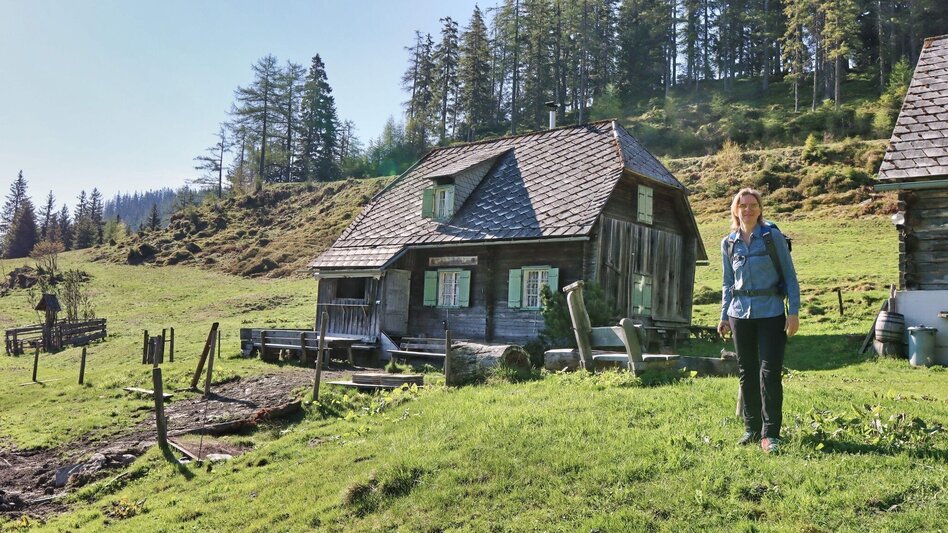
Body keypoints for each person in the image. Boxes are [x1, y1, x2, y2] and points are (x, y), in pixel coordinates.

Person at [716, 188, 800, 454]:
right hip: (739, 314)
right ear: (736, 210)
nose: (748, 210)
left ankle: (770, 434)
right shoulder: (728, 243)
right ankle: (751, 429)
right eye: (743, 206)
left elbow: (790, 276)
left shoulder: (772, 237)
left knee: (770, 373)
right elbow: (728, 283)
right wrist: (723, 316)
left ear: (760, 209)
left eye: (753, 205)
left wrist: (794, 312)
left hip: (771, 312)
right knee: (747, 372)